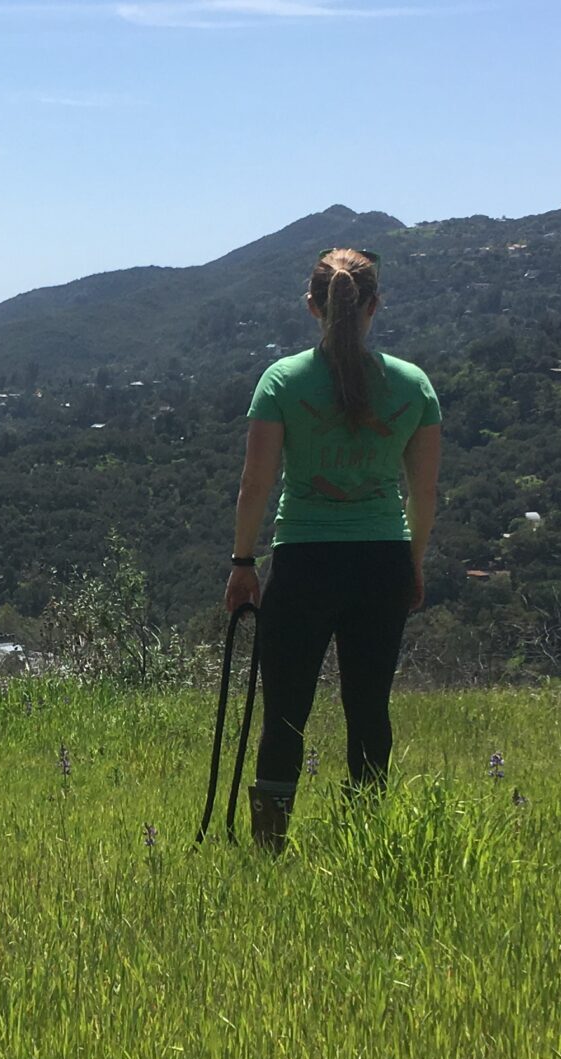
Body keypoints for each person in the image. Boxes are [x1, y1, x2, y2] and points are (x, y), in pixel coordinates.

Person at [222, 248, 442, 851]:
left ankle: (269, 849)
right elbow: (422, 491)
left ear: (312, 305)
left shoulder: (283, 381)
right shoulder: (412, 385)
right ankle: (367, 839)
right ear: (374, 305)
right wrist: (414, 562)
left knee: (285, 709)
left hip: (303, 561)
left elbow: (255, 486)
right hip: (383, 561)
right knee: (369, 707)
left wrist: (243, 563)